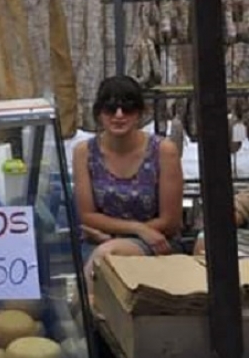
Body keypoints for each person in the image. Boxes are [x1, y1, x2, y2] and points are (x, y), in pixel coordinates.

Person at [73, 75, 183, 290]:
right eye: (110, 109)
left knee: (105, 255)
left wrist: (118, 236)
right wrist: (135, 228)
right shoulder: (84, 152)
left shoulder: (163, 151)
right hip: (99, 239)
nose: (119, 115)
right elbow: (87, 215)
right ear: (99, 113)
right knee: (98, 259)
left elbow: (170, 221)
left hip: (155, 241)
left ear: (141, 113)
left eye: (128, 108)